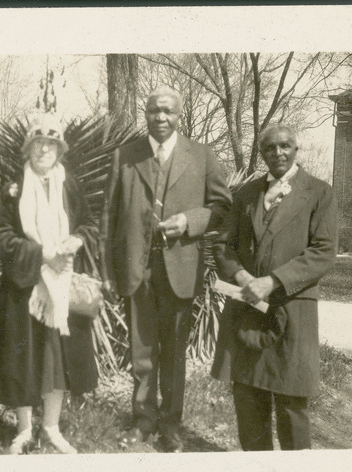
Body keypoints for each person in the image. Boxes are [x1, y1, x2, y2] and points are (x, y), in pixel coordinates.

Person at [100, 86, 231, 452]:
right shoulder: (125, 156)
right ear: (146, 113)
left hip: (180, 267)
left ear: (179, 115)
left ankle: (171, 423)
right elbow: (107, 218)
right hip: (137, 267)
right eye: (154, 111)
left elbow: (223, 207)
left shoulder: (202, 156)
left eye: (168, 112)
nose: (161, 118)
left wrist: (190, 221)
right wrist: (107, 271)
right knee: (141, 349)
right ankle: (142, 419)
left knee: (174, 351)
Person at [210, 124, 337, 451]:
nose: (278, 153)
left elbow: (323, 252)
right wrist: (241, 277)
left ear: (296, 149)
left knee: (292, 404)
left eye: (285, 146)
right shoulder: (245, 195)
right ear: (262, 153)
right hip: (246, 309)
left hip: (291, 310)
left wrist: (272, 282)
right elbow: (224, 246)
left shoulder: (319, 192)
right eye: (269, 148)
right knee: (248, 400)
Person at [0, 114, 99, 455]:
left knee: (57, 359)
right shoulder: (14, 189)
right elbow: (2, 238)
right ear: (28, 148)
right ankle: (23, 429)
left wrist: (76, 240)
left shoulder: (69, 185)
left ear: (59, 151)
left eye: (50, 144)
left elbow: (88, 223)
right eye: (38, 142)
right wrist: (42, 255)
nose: (44, 149)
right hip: (25, 288)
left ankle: (51, 427)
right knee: (23, 357)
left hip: (60, 287)